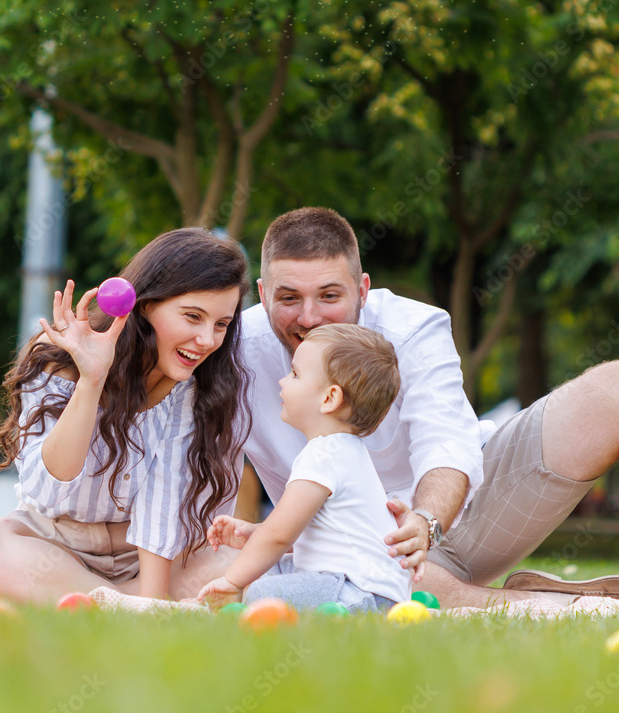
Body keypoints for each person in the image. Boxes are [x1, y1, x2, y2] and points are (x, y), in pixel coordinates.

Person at [240, 207, 619, 610]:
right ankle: (547, 604)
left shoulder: (413, 327)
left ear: (363, 289)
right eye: (289, 298)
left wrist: (424, 522)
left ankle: (466, 591)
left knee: (610, 388)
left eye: (330, 295)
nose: (310, 317)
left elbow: (445, 443)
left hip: (469, 514)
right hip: (350, 554)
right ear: (263, 295)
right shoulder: (236, 350)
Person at [0, 228, 252, 604]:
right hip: (52, 543)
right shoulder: (57, 356)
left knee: (235, 564)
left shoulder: (201, 387)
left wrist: (151, 602)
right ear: (145, 305)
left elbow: (163, 509)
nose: (207, 340)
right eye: (193, 317)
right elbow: (47, 489)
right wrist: (91, 380)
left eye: (221, 324)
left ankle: (102, 605)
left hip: (148, 556)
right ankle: (120, 603)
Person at [197, 323, 410, 613]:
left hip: (362, 593)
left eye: (295, 374)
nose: (283, 382)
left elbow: (280, 534)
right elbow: (304, 534)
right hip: (355, 586)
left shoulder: (325, 454)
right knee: (272, 572)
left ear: (329, 398)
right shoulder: (342, 450)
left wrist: (230, 581)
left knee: (261, 591)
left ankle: (337, 618)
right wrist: (254, 533)